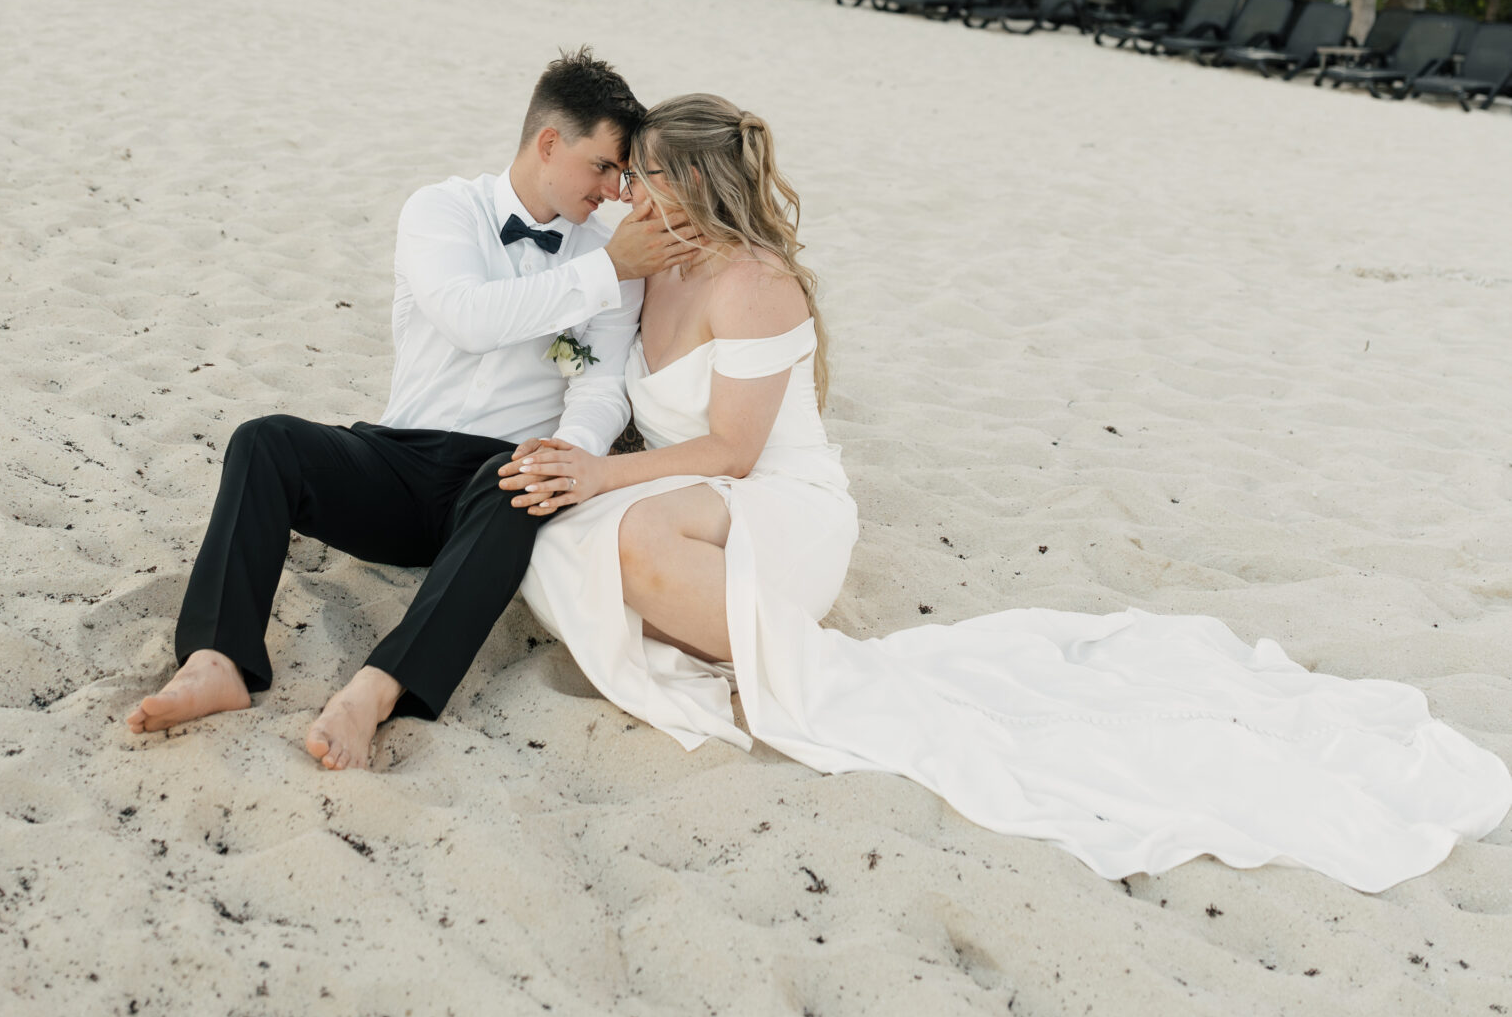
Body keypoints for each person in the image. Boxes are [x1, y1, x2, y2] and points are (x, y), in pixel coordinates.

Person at [506, 94, 1512, 892]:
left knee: (629, 538)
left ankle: (767, 653)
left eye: (644, 182)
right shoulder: (645, 266)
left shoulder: (754, 281)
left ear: (693, 185)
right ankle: (713, 630)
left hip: (774, 501)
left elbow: (730, 448)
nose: (629, 198)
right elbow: (589, 356)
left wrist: (598, 473)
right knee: (560, 545)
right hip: (696, 495)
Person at [128, 48, 682, 771]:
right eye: (602, 166)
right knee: (264, 441)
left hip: (497, 484)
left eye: (621, 173)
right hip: (398, 459)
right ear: (549, 143)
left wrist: (570, 449)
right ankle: (218, 661)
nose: (613, 190)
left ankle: (376, 690)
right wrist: (602, 271)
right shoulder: (442, 210)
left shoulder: (613, 254)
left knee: (519, 481)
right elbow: (466, 318)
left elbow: (601, 383)